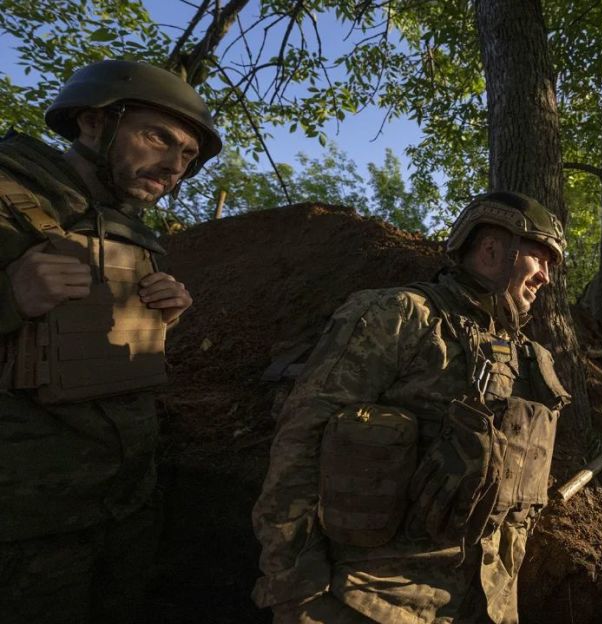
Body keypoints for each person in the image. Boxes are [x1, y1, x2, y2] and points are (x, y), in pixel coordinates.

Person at [252, 191, 571, 623]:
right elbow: (299, 445)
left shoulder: (531, 357)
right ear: (493, 248)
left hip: (485, 604)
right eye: (540, 258)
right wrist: (294, 585)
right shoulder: (399, 316)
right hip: (368, 601)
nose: (546, 277)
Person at [0, 60, 220, 623]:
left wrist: (161, 317)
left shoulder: (131, 229)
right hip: (27, 519)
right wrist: (9, 296)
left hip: (127, 499)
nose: (173, 165)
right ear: (95, 123)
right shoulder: (6, 195)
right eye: (157, 138)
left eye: (188, 157)